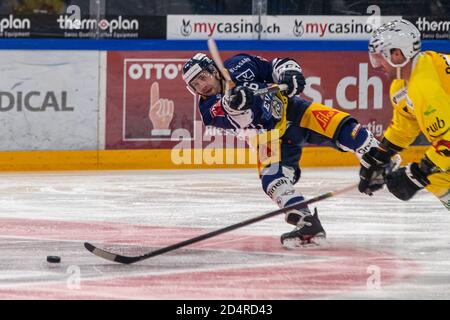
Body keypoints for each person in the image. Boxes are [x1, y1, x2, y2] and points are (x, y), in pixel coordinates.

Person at [182, 52, 385, 248]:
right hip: (266, 137)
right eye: (196, 84)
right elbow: (242, 118)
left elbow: (275, 66)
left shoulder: (240, 63)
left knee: (342, 128)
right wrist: (236, 103)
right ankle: (306, 221)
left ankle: (382, 159)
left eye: (203, 77)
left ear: (214, 70)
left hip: (292, 110)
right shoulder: (208, 110)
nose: (202, 86)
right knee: (272, 181)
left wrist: (290, 73)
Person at [359, 19, 449, 210]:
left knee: (433, 172)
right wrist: (380, 156)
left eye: (379, 57)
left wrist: (419, 173)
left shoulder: (425, 87)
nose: (376, 65)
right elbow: (404, 127)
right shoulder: (402, 84)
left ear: (397, 54)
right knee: (437, 177)